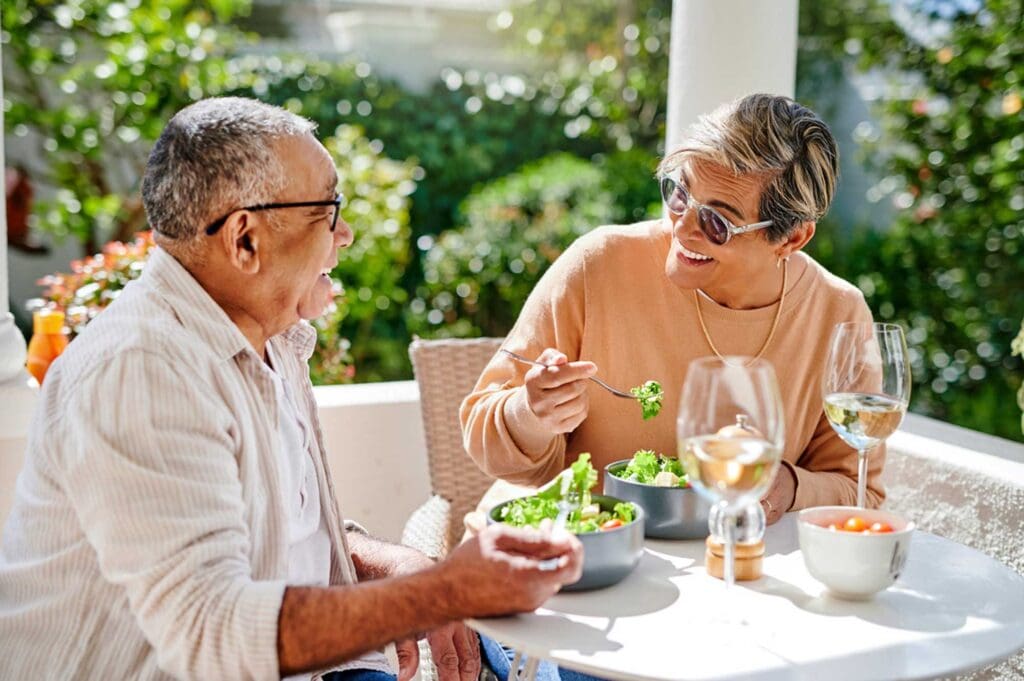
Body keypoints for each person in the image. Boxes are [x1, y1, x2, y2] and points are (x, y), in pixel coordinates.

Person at [0, 97, 582, 681]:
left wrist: (394, 564)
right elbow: (213, 636)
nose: (346, 234)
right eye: (328, 210)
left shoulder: (271, 337)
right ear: (245, 240)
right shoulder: (143, 372)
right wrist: (441, 592)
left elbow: (272, 534)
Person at [462, 93, 884, 527]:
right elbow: (482, 437)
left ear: (791, 239)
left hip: (721, 566)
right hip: (565, 550)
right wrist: (531, 413)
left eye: (717, 222)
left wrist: (790, 487)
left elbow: (860, 490)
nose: (681, 227)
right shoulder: (600, 264)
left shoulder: (838, 313)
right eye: (679, 194)